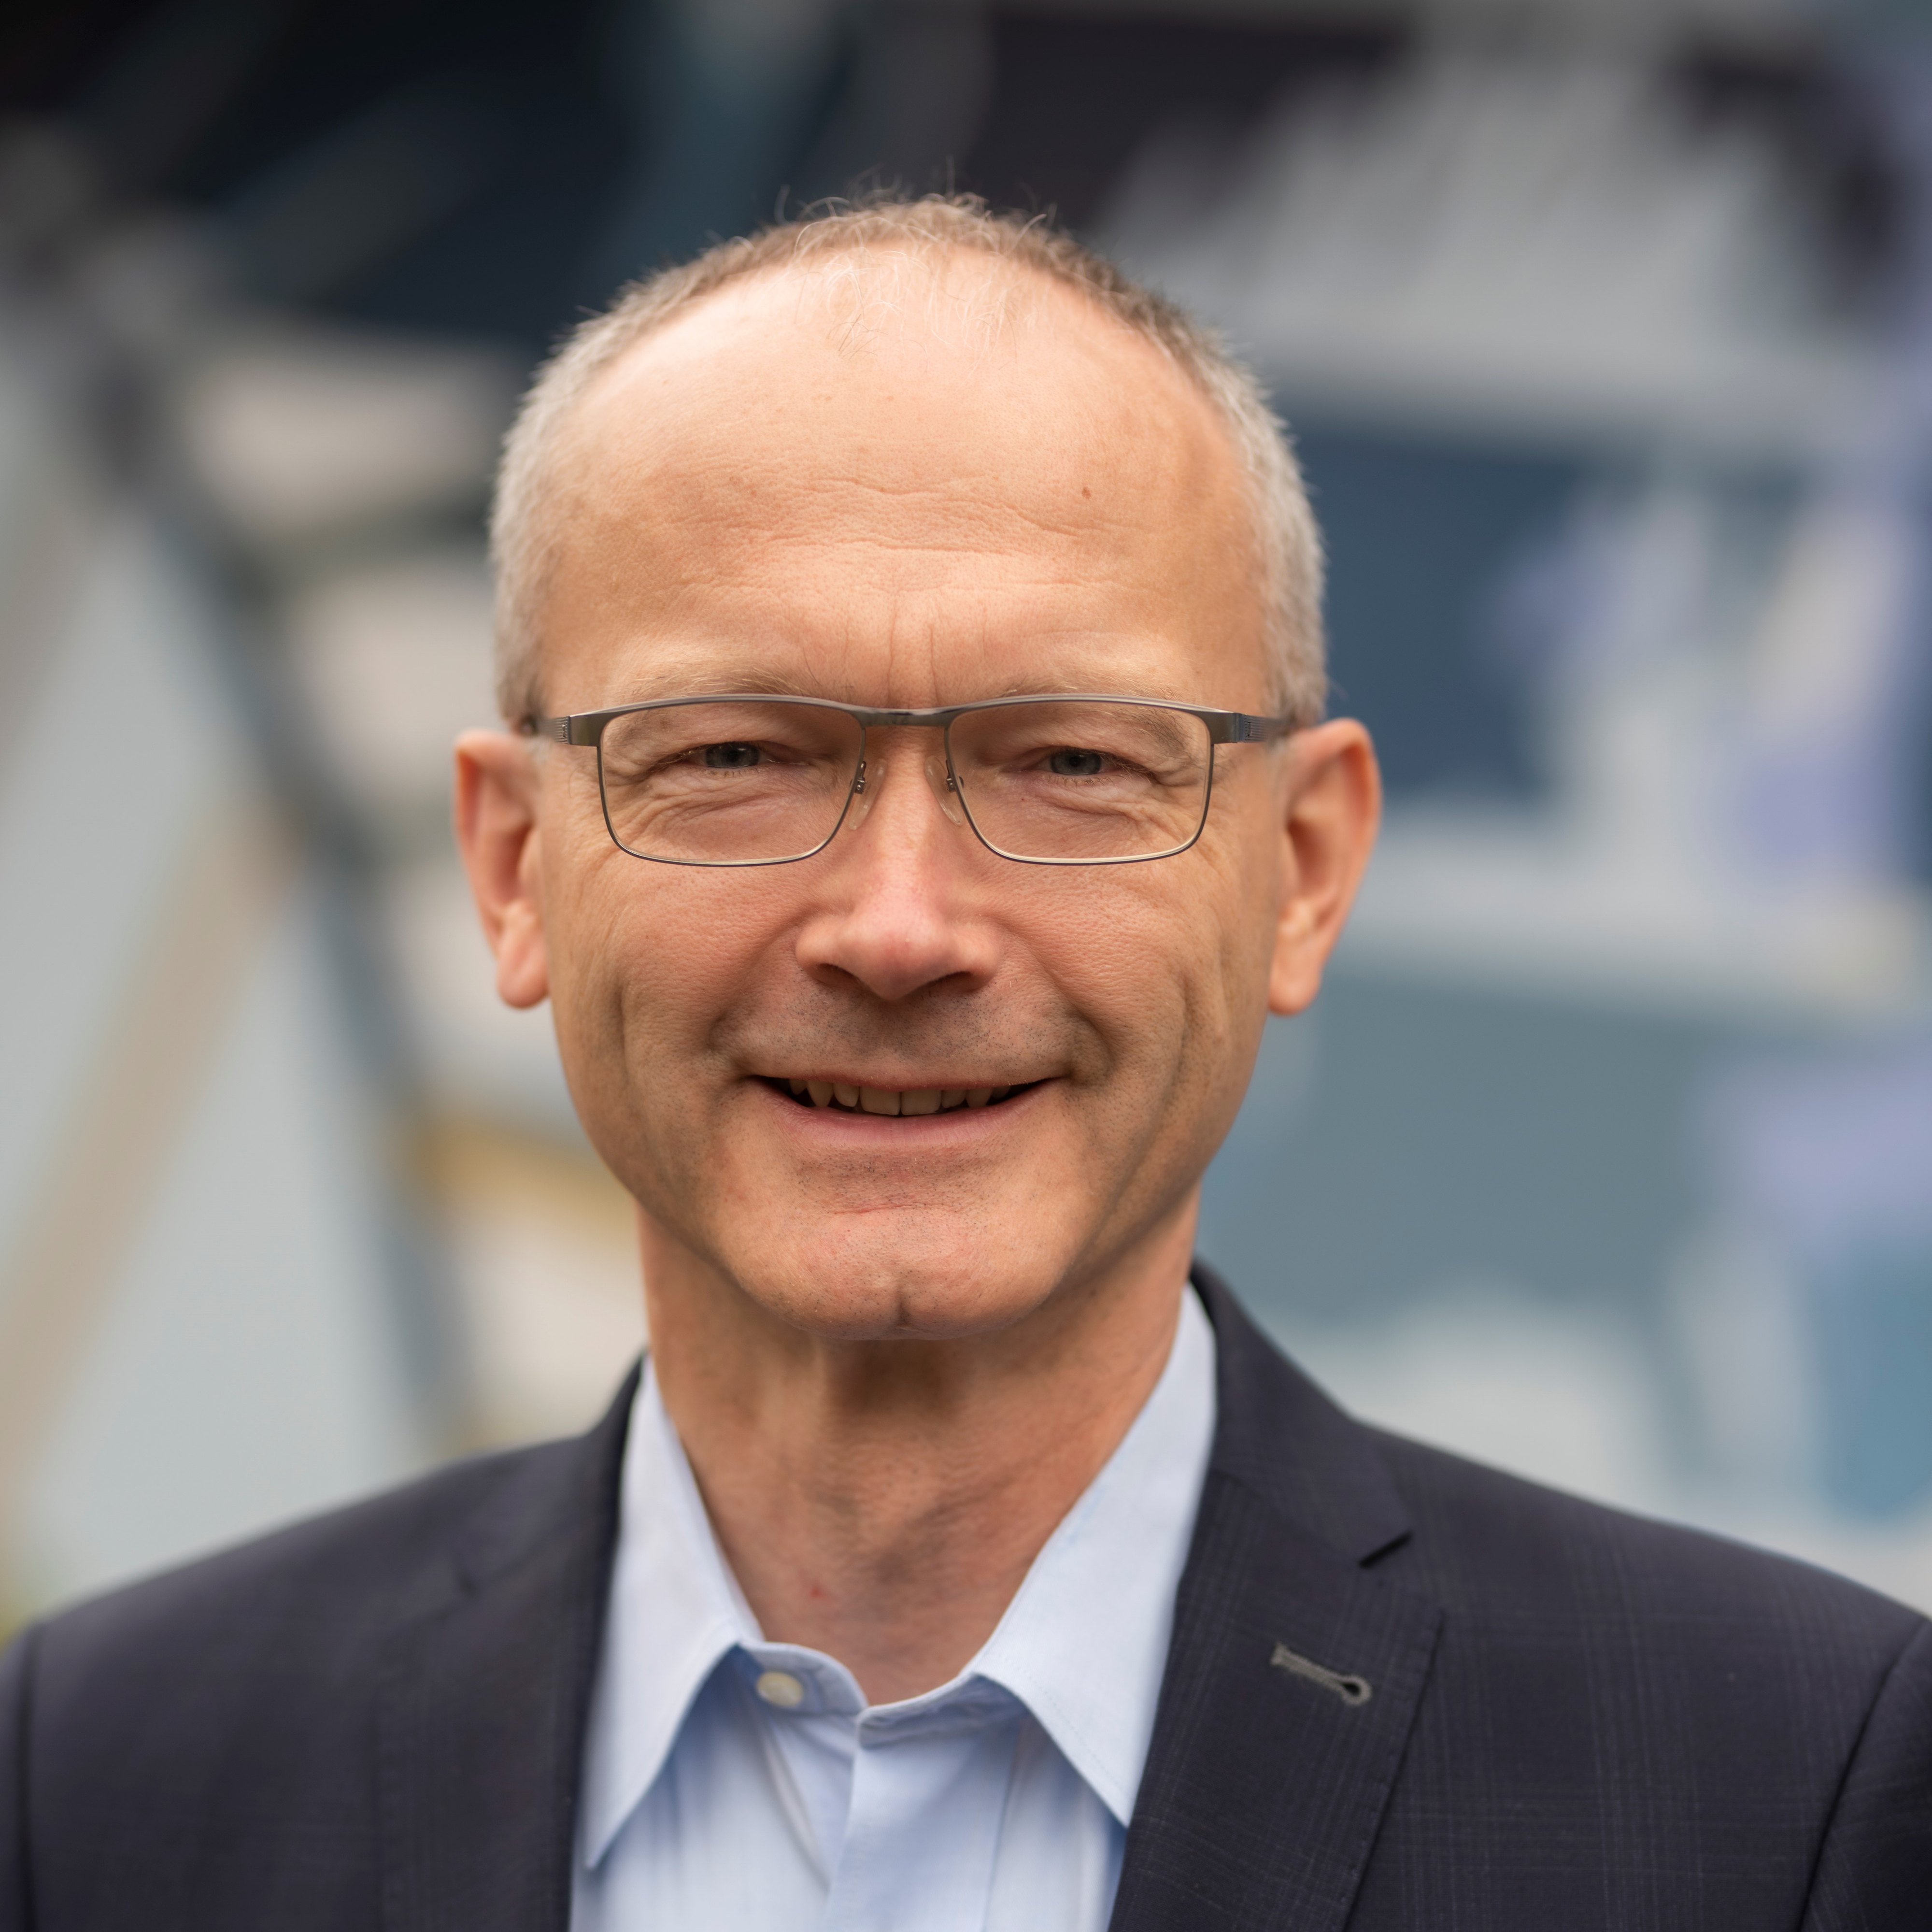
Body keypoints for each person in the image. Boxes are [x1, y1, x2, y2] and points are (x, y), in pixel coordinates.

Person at [2, 196, 1927, 1932]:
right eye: (735, 756)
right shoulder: (96, 1783)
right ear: (514, 868)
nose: (900, 926)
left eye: (1073, 761)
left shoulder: (1787, 1800)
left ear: (1302, 869)